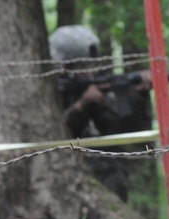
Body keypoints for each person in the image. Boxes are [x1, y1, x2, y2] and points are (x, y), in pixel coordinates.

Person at [49, 25, 156, 205]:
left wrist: (137, 96)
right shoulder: (51, 91)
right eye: (82, 65)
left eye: (90, 64)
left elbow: (121, 130)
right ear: (63, 66)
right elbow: (54, 133)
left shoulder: (97, 84)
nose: (89, 71)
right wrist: (81, 104)